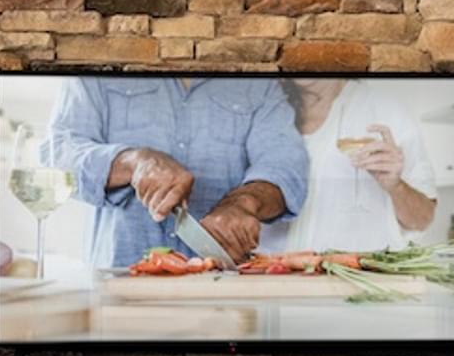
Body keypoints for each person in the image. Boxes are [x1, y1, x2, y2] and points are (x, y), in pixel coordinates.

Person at [45, 76, 308, 268]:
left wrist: (243, 204)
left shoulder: (259, 84)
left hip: (220, 297)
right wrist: (132, 162)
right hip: (119, 288)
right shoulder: (96, 67)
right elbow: (58, 156)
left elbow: (286, 166)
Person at [264, 78, 440, 254]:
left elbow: (422, 219)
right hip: (282, 275)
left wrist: (396, 186)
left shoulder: (385, 110)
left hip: (362, 276)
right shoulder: (266, 113)